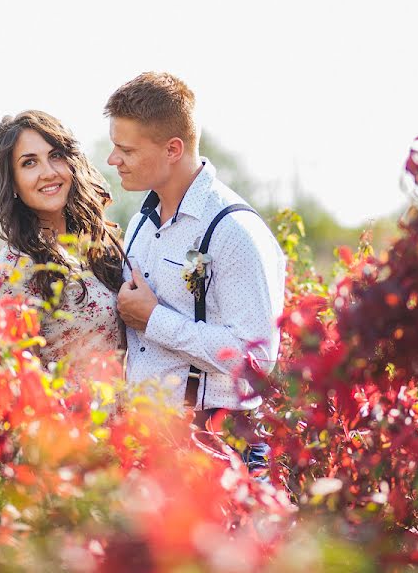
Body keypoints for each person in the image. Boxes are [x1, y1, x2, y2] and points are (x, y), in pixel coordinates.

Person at [105, 72, 285, 472]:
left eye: (126, 150)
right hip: (149, 444)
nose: (112, 160)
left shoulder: (234, 232)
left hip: (215, 449)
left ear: (173, 149)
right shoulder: (141, 222)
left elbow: (257, 360)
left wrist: (155, 320)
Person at [0, 110, 125, 375]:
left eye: (55, 156)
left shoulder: (96, 244)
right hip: (67, 415)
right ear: (12, 182)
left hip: (123, 412)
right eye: (29, 163)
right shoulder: (15, 268)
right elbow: (14, 378)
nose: (48, 172)